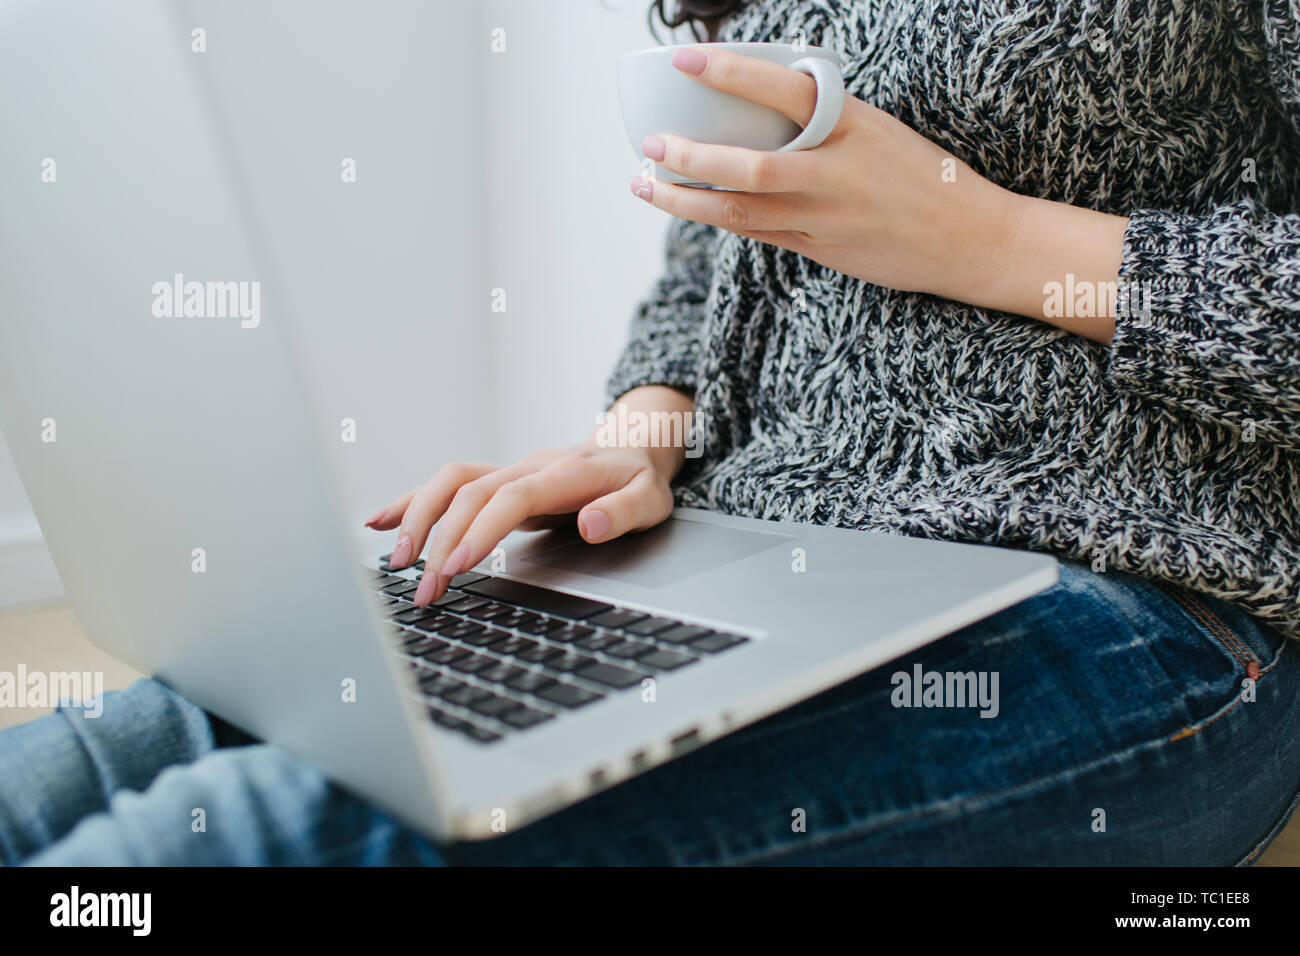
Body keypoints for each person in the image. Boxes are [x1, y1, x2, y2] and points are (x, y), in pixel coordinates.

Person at [4, 0, 1299, 865]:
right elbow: (714, 258)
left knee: (242, 840)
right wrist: (642, 430)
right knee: (74, 770)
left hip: (1136, 603)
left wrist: (992, 239)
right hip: (756, 566)